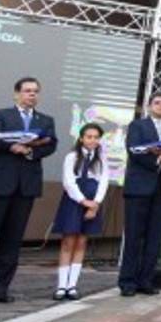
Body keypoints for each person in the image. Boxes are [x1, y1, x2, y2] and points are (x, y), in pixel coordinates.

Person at [0, 77, 58, 307]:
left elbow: (51, 144)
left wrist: (30, 151)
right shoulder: (1, 115)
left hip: (25, 186)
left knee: (12, 241)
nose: (31, 95)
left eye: (35, 91)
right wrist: (11, 146)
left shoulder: (45, 120)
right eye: (27, 91)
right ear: (17, 93)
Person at [119, 91, 161, 296]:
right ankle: (127, 282)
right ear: (149, 106)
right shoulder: (137, 126)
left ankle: (145, 280)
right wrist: (157, 160)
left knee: (154, 237)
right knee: (134, 236)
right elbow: (133, 150)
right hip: (138, 188)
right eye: (157, 103)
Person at [52, 122, 109, 300]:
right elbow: (69, 182)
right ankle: (61, 285)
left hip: (93, 201)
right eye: (89, 137)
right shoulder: (72, 156)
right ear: (81, 138)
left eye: (96, 137)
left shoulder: (101, 159)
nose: (92, 140)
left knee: (82, 241)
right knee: (68, 241)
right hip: (74, 200)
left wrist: (96, 203)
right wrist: (84, 201)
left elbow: (104, 181)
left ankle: (72, 285)